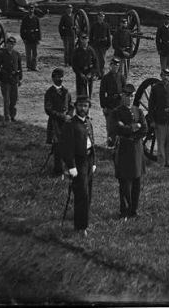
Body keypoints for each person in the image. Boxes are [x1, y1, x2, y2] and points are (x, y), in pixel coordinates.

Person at [60, 93, 97, 235]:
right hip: (79, 162)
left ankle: (84, 221)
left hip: (88, 160)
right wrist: (71, 166)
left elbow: (92, 143)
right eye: (80, 106)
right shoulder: (71, 124)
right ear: (76, 107)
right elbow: (66, 148)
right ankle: (80, 227)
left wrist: (94, 162)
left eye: (85, 106)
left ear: (89, 108)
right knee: (82, 194)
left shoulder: (88, 122)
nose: (83, 108)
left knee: (88, 193)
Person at [112, 84, 146, 220]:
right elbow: (117, 129)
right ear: (122, 96)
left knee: (137, 181)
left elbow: (144, 129)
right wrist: (133, 127)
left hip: (136, 149)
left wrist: (132, 134)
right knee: (125, 182)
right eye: (127, 96)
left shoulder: (138, 111)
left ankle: (134, 210)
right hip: (124, 149)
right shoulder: (117, 112)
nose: (130, 98)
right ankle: (124, 210)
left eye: (132, 96)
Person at [148, 68, 169, 169]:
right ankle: (161, 163)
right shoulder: (156, 88)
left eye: (168, 75)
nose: (166, 77)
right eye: (164, 75)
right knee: (161, 143)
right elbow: (151, 105)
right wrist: (152, 120)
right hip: (160, 119)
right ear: (161, 76)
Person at [44, 68, 72, 176]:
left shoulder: (66, 91)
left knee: (67, 145)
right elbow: (48, 110)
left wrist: (69, 115)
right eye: (57, 77)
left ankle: (67, 168)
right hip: (55, 123)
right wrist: (62, 116)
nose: (60, 79)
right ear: (53, 78)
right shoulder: (49, 93)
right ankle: (58, 170)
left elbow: (71, 105)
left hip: (66, 123)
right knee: (57, 146)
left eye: (61, 77)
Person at [0, 36, 22, 122]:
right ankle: (7, 117)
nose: (11, 46)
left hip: (14, 80)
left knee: (14, 99)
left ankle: (12, 116)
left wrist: (19, 78)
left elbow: (19, 67)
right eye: (9, 44)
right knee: (6, 100)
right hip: (5, 80)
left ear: (14, 45)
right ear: (6, 44)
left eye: (12, 44)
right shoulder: (1, 54)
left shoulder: (16, 54)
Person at [100, 58, 126, 145]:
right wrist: (104, 106)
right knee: (110, 126)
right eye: (114, 66)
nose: (115, 68)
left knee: (120, 125)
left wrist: (121, 95)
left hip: (119, 104)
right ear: (110, 66)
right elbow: (102, 93)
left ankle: (119, 145)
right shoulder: (106, 78)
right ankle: (110, 144)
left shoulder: (121, 77)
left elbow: (125, 90)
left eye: (117, 66)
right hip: (110, 104)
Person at [72, 34, 98, 100]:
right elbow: (74, 64)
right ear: (81, 40)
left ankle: (88, 99)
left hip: (89, 71)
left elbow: (95, 63)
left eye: (86, 39)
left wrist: (91, 73)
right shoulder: (77, 50)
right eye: (83, 39)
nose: (84, 41)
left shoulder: (91, 50)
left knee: (89, 89)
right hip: (80, 72)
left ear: (88, 40)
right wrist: (80, 73)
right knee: (80, 90)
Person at [19, 5, 41, 71]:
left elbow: (39, 29)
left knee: (35, 54)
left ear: (34, 10)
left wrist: (39, 39)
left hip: (34, 38)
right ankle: (28, 67)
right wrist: (23, 38)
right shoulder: (25, 19)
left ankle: (34, 66)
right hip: (27, 38)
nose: (31, 10)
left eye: (32, 9)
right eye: (30, 9)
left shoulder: (36, 18)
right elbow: (22, 30)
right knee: (28, 54)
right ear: (28, 10)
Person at [89, 12, 111, 78]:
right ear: (97, 17)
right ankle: (98, 74)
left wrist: (109, 44)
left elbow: (108, 35)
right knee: (96, 59)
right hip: (95, 44)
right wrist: (91, 44)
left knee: (102, 60)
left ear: (104, 17)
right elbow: (91, 35)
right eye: (99, 16)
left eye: (102, 16)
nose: (101, 18)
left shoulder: (106, 25)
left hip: (103, 45)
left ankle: (102, 73)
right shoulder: (94, 25)